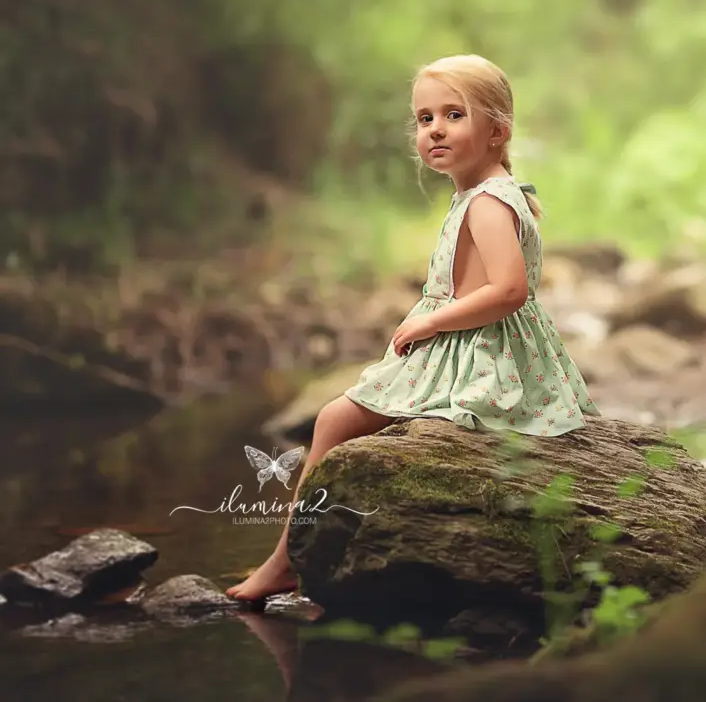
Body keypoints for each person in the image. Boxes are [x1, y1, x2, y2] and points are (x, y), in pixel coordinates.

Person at [226, 53, 600, 601]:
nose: (435, 130)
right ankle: (300, 550)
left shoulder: (489, 203)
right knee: (339, 419)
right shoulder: (480, 194)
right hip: (469, 343)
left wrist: (431, 320)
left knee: (331, 420)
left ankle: (286, 557)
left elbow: (510, 291)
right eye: (425, 119)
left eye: (454, 115)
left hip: (480, 356)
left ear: (497, 131)